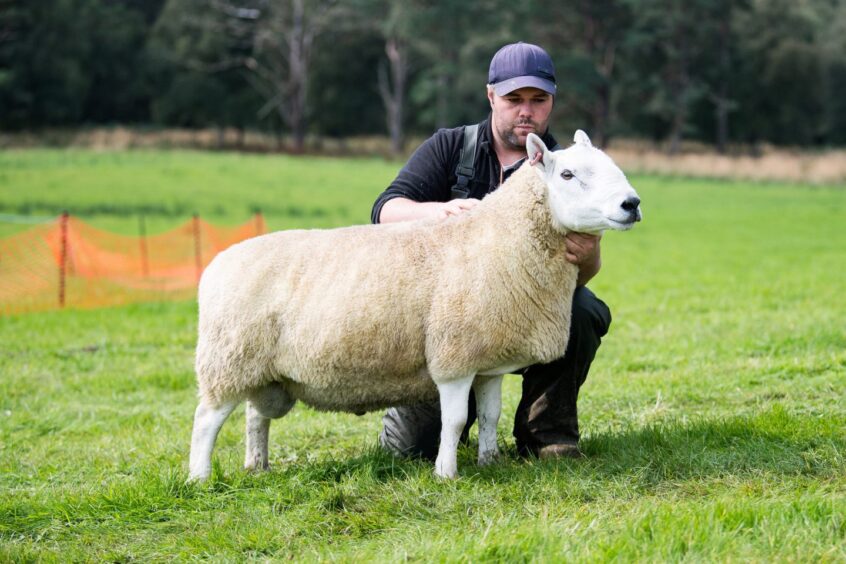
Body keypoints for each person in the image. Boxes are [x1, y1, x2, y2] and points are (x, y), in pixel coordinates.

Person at [370, 42, 611, 460]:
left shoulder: (564, 168)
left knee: (584, 309)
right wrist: (438, 211)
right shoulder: (450, 147)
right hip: (449, 328)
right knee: (409, 453)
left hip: (523, 322)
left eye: (538, 100)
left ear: (552, 101)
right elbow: (385, 210)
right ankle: (437, 421)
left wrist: (589, 252)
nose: (526, 111)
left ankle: (546, 434)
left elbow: (577, 278)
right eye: (514, 99)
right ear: (490, 96)